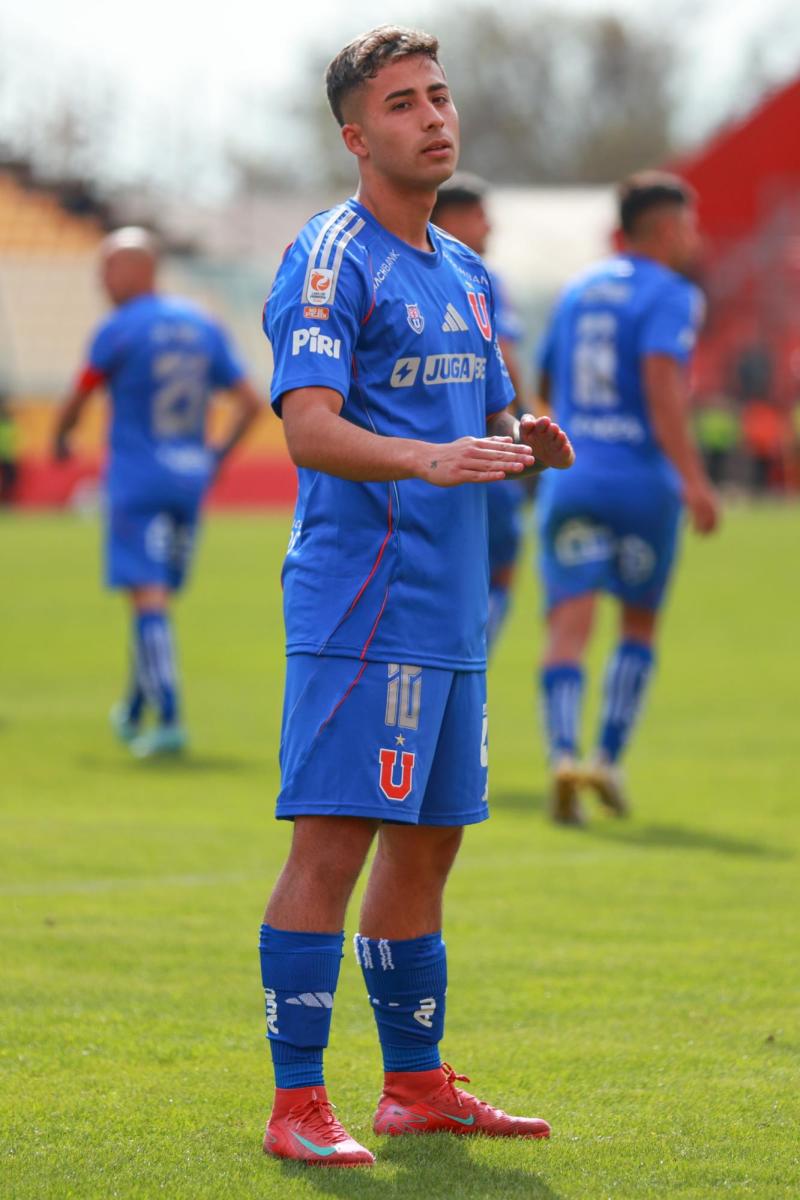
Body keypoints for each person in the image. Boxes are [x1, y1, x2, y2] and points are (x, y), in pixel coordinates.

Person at [259, 25, 574, 1168]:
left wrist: (518, 439)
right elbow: (306, 426)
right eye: (402, 104)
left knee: (429, 848)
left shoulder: (466, 269)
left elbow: (484, 422)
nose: (433, 117)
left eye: (439, 97)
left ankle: (415, 1086)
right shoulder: (330, 257)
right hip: (361, 605)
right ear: (357, 135)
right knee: (334, 847)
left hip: (449, 609)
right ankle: (296, 1104)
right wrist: (426, 458)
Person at [535, 172, 719, 825]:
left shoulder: (578, 289)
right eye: (691, 226)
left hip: (576, 475)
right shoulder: (671, 294)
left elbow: (547, 380)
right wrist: (694, 478)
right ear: (667, 230)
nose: (695, 239)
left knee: (568, 623)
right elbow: (662, 383)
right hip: (641, 481)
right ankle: (607, 757)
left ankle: (562, 754)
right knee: (637, 623)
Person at [52, 228, 261, 757]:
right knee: (156, 598)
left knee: (147, 598)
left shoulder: (118, 329)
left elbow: (79, 395)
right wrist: (214, 458)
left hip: (137, 476)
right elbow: (251, 402)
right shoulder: (201, 324)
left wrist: (60, 440)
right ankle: (134, 706)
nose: (101, 279)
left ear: (138, 268)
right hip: (189, 476)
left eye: (107, 268)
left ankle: (167, 718)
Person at [432, 173, 528, 652]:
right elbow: (505, 355)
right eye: (477, 216)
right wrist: (524, 425)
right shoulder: (477, 275)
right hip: (481, 451)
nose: (488, 226)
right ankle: (468, 660)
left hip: (445, 454)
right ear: (447, 218)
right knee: (498, 567)